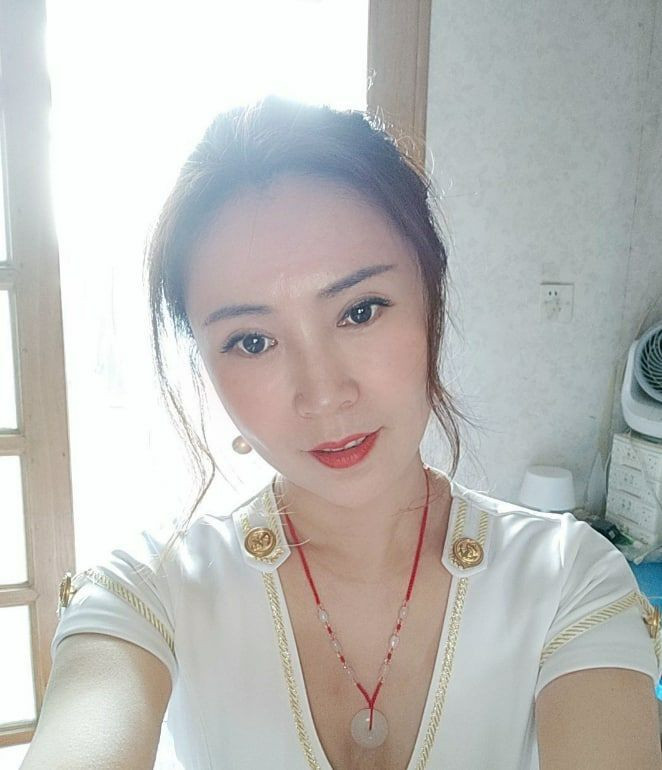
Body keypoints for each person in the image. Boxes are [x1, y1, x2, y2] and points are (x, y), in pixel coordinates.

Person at [23, 96, 662, 770]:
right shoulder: (149, 591)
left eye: (360, 310)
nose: (324, 394)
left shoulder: (568, 579)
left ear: (431, 302)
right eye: (251, 341)